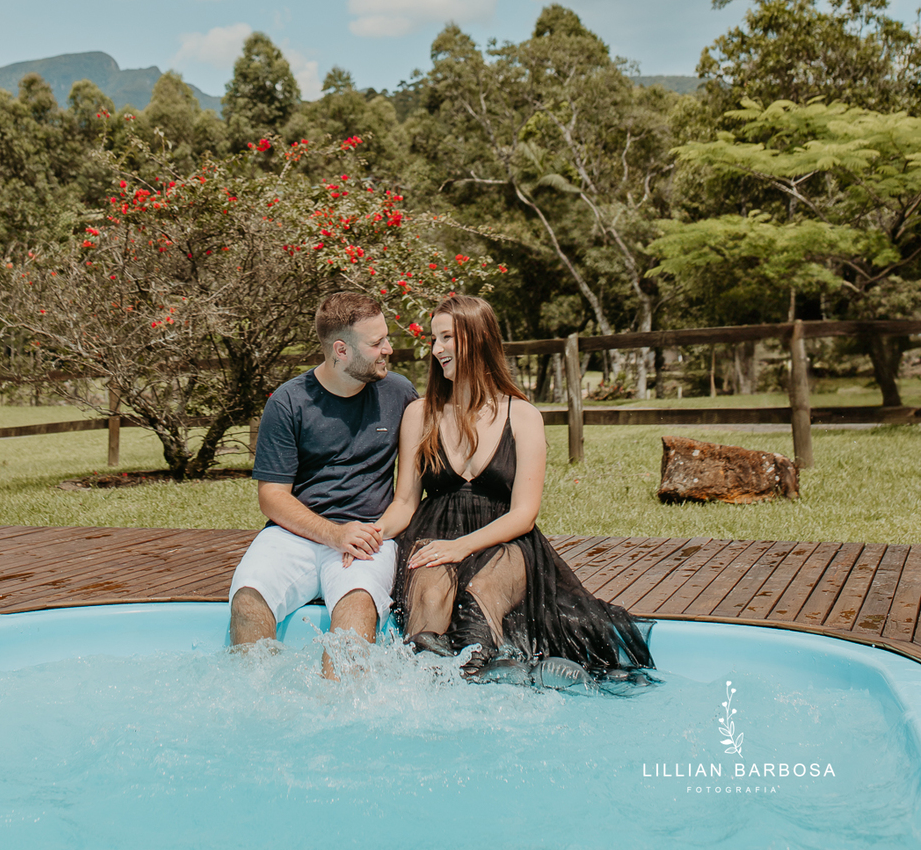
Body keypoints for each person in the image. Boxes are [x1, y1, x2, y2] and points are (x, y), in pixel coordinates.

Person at [378, 292, 654, 687]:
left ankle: (484, 672)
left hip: (506, 541)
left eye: (446, 338)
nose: (436, 350)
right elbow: (404, 502)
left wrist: (463, 547)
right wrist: (369, 535)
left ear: (478, 339)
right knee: (428, 590)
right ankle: (439, 681)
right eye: (433, 340)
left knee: (482, 590)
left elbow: (524, 513)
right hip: (435, 536)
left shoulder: (522, 416)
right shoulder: (419, 414)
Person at [229, 290, 418, 677]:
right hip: (295, 534)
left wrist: (366, 535)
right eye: (377, 342)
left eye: (386, 338)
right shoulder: (288, 402)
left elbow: (408, 496)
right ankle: (256, 705)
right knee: (248, 599)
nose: (389, 348)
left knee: (358, 605)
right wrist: (333, 534)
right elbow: (272, 497)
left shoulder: (400, 394)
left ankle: (336, 712)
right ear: (341, 350)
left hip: (368, 536)